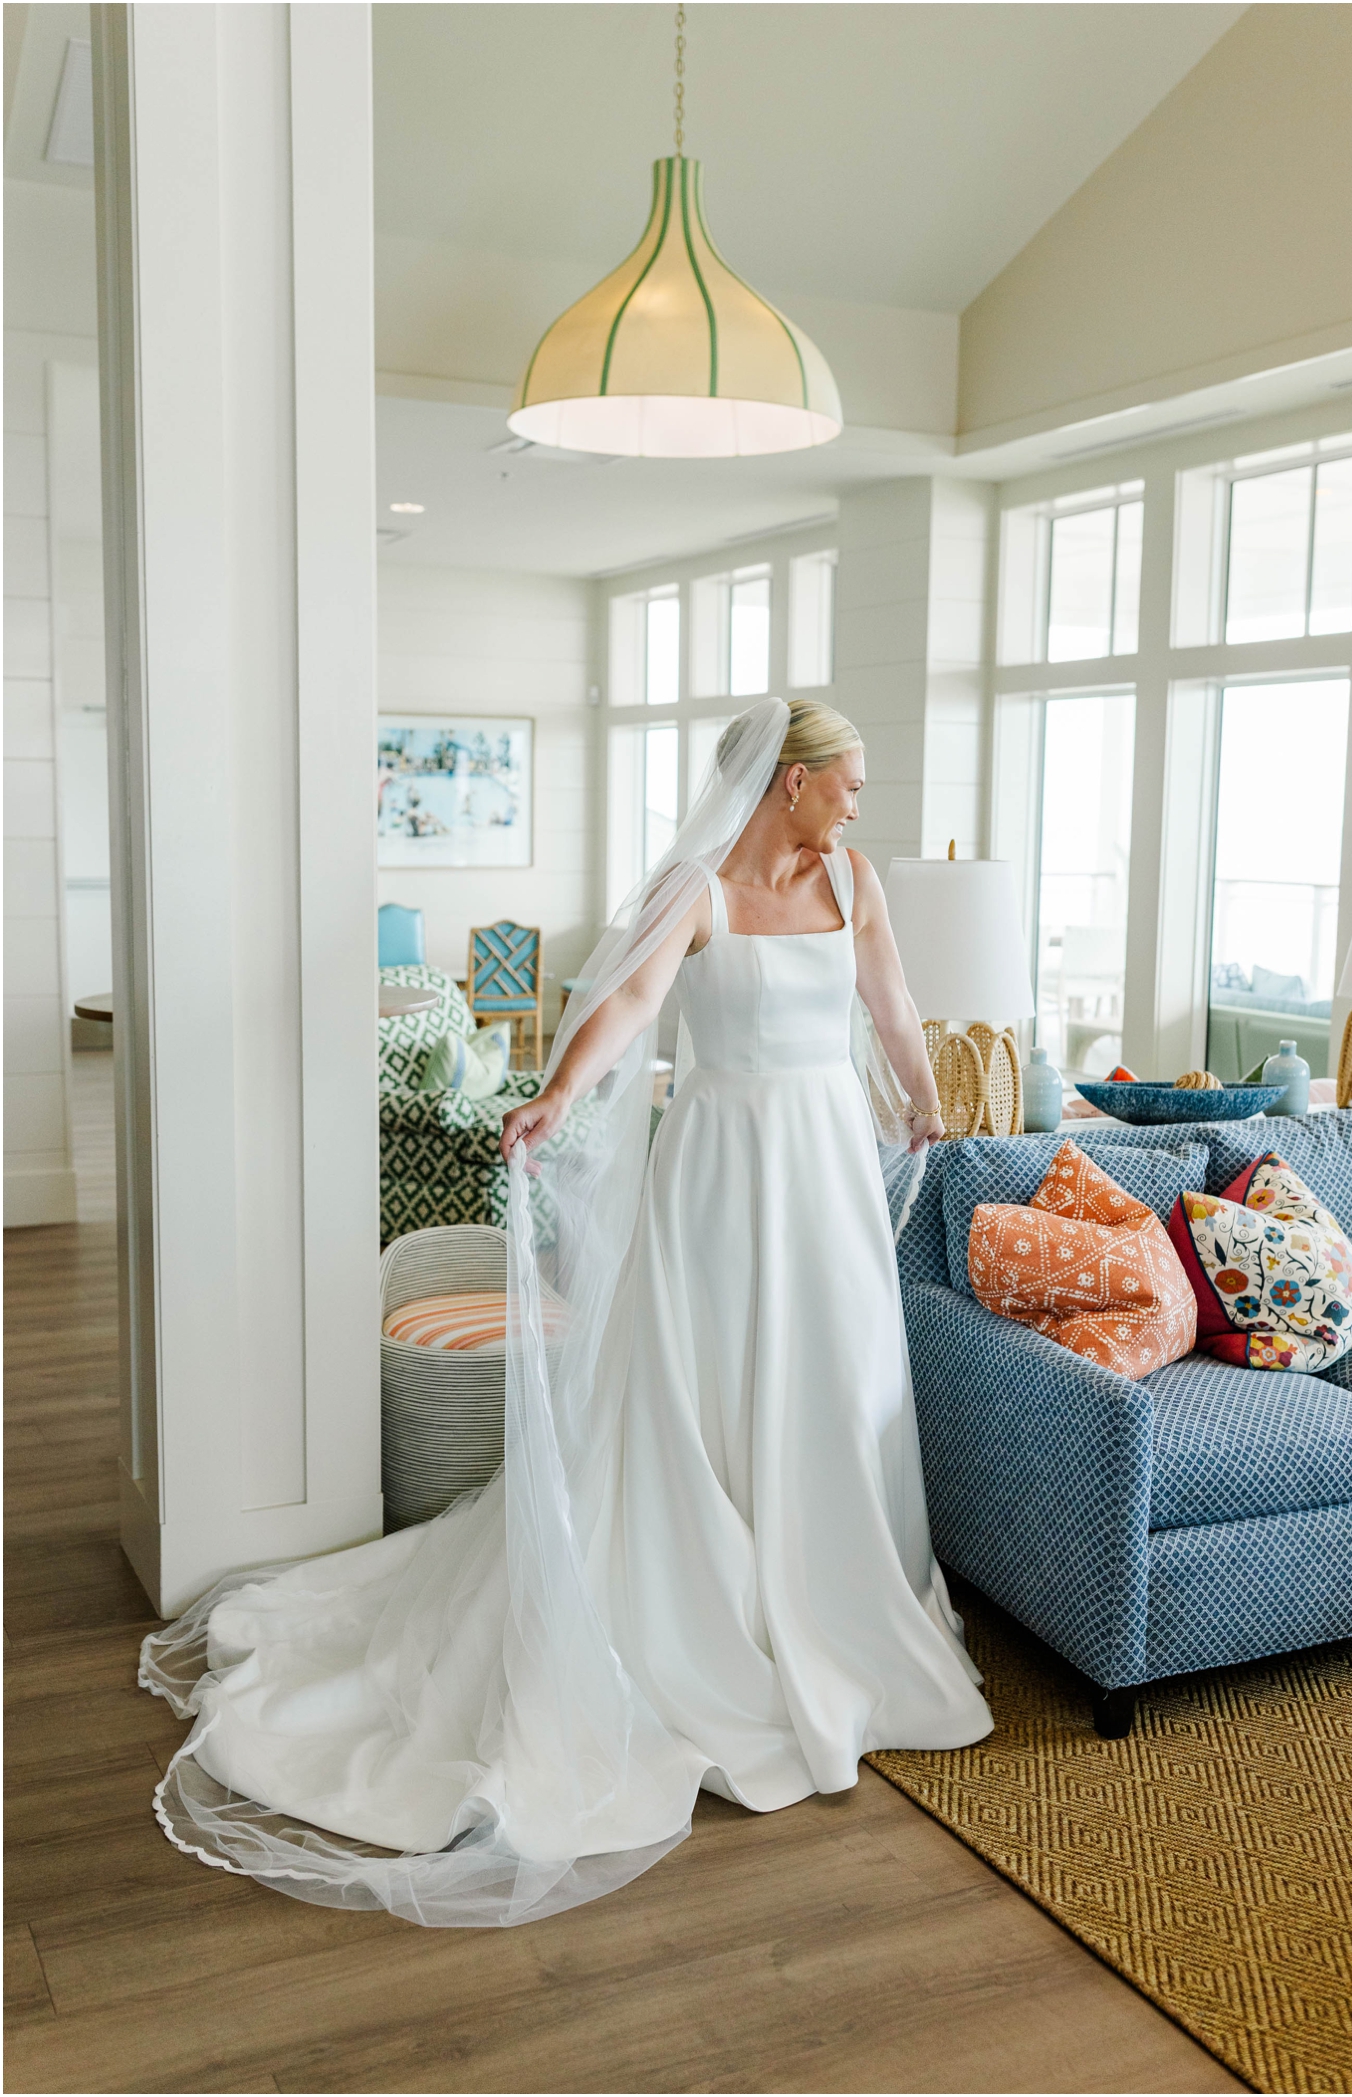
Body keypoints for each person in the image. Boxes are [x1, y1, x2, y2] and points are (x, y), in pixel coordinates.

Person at [140, 696, 991, 1929]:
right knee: (705, 1376)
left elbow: (891, 1008)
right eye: (846, 781)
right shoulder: (697, 891)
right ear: (788, 780)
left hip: (824, 1167)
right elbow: (631, 1002)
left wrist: (922, 1102)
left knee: (833, 1372)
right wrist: (556, 1092)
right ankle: (709, 1609)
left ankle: (828, 1598)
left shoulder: (854, 883)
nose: (859, 802)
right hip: (720, 1169)